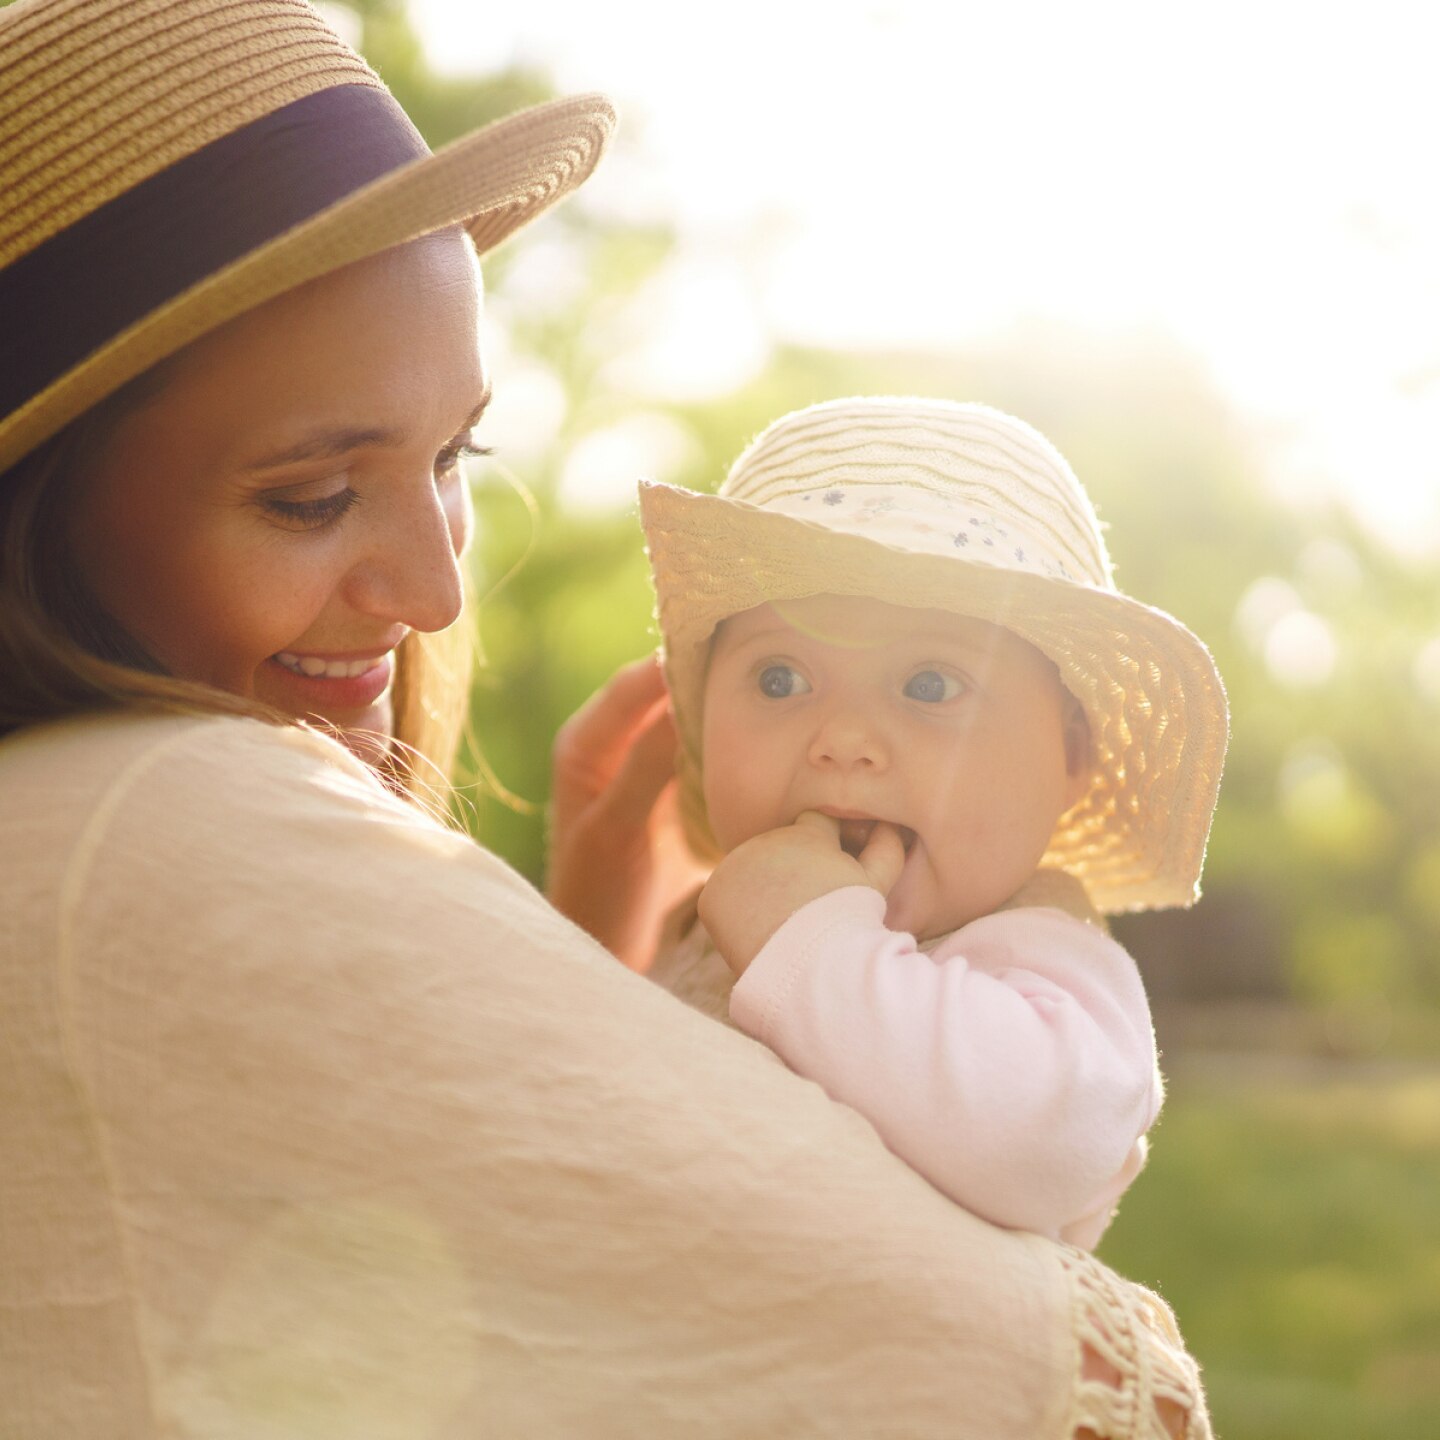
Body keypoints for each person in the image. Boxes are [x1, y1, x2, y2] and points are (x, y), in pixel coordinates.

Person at [0, 2, 1213, 1436]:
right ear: (42, 510)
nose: (442, 593)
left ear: (1071, 759)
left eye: (457, 454)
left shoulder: (1029, 959)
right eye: (312, 496)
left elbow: (549, 1224)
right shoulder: (165, 823)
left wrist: (573, 952)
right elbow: (947, 1328)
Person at [637, 398, 1230, 1250]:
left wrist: (811, 943)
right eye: (778, 678)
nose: (842, 740)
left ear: (1069, 757)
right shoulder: (700, 931)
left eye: (929, 686)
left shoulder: (1045, 960)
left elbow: (1041, 1144)